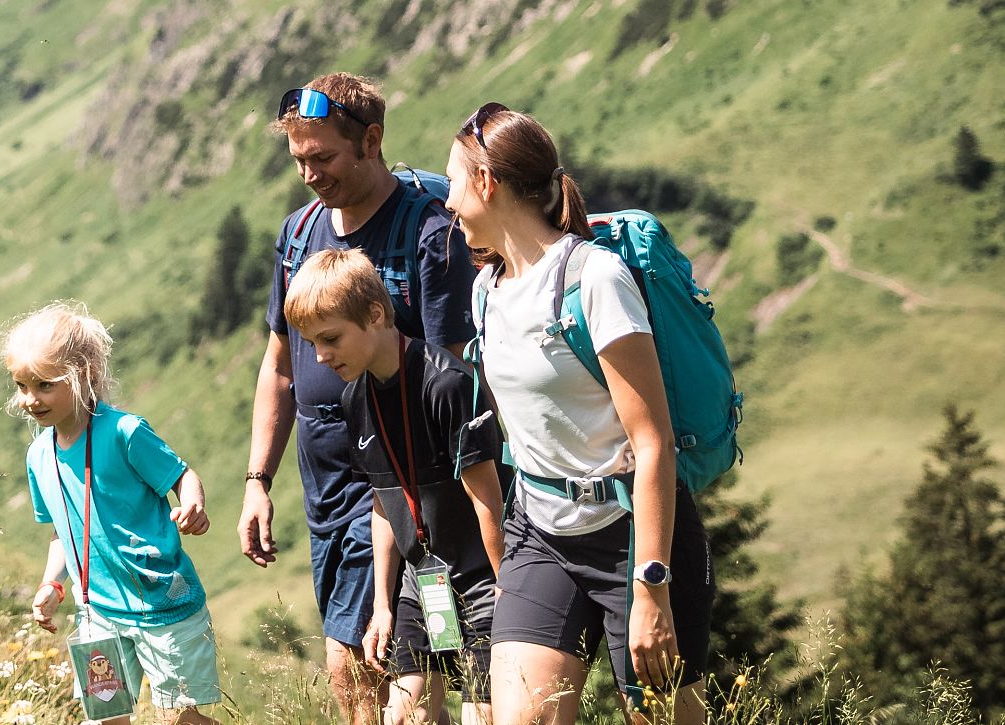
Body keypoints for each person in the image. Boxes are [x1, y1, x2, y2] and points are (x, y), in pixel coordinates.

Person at [445, 103, 714, 724]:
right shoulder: (487, 290)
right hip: (540, 534)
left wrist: (652, 586)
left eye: (454, 182)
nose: (449, 202)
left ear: (487, 183)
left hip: (632, 538)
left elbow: (654, 445)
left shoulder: (595, 279)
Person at [240, 71, 479, 723]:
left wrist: (422, 509)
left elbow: (450, 379)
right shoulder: (298, 234)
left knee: (367, 667)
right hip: (325, 495)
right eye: (298, 160)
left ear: (371, 141)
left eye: (323, 158)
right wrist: (258, 478)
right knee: (383, 676)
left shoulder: (427, 235)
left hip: (398, 489)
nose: (309, 174)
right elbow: (281, 363)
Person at [285, 248, 507, 725]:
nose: (321, 357)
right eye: (311, 344)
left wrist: (509, 586)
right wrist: (382, 606)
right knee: (404, 718)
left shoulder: (446, 384)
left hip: (483, 580)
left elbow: (488, 500)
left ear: (376, 314)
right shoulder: (355, 398)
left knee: (481, 718)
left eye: (330, 338)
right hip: (424, 582)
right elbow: (384, 506)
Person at [0, 302, 221, 725]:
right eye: (22, 386)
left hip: (163, 608)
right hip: (96, 615)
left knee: (180, 721)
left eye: (45, 385)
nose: (31, 400)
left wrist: (192, 503)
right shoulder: (38, 456)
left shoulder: (124, 432)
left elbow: (182, 476)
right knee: (105, 720)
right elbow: (62, 533)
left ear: (83, 374)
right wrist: (52, 583)